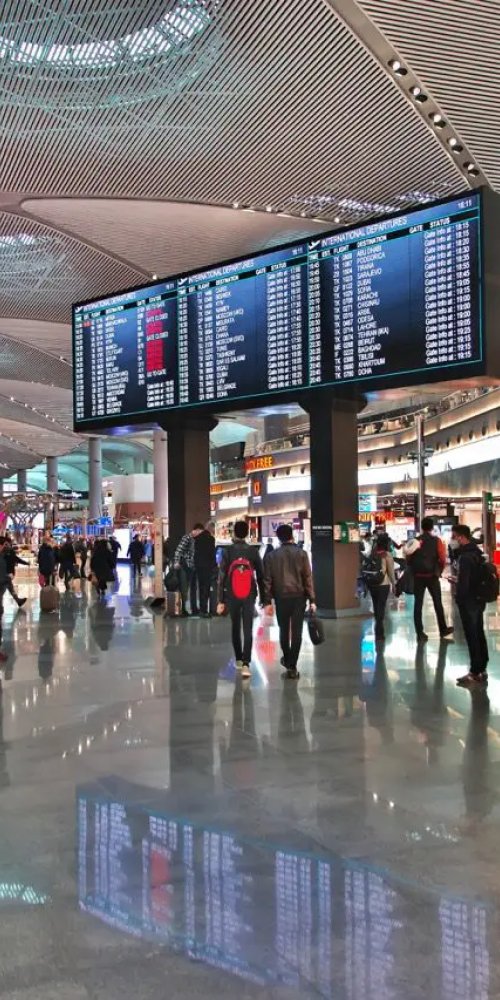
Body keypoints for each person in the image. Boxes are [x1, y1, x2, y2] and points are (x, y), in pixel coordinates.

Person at [264, 523, 316, 680]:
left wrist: (267, 601)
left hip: (281, 598)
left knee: (284, 630)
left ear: (278, 538)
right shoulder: (301, 554)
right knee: (297, 631)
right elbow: (307, 577)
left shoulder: (271, 556)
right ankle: (292, 665)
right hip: (299, 597)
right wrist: (312, 599)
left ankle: (287, 659)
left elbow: (267, 580)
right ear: (292, 535)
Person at [217, 520, 266, 680]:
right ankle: (246, 663)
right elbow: (261, 575)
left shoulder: (228, 551)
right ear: (246, 533)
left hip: (232, 594)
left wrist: (221, 600)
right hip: (249, 594)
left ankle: (238, 659)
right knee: (248, 628)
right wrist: (264, 599)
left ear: (234, 533)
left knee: (235, 627)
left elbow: (222, 576)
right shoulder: (253, 551)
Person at [405, 516, 453, 643]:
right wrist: (439, 571)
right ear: (432, 528)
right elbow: (442, 558)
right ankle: (443, 629)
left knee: (418, 604)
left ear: (422, 527)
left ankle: (419, 633)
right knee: (438, 602)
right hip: (432, 577)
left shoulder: (415, 541)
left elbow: (408, 559)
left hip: (418, 577)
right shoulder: (436, 541)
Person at [453, 524, 489, 688]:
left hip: (468, 601)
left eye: (454, 537)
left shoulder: (466, 557)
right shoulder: (477, 552)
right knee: (478, 632)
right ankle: (482, 668)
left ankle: (475, 672)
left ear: (461, 537)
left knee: (471, 635)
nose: (453, 540)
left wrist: (459, 596)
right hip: (479, 598)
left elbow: (465, 584)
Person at [366, 532, 395, 641]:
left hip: (372, 583)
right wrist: (394, 584)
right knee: (381, 607)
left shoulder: (372, 553)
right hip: (383, 585)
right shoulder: (387, 555)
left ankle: (377, 630)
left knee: (375, 605)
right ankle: (379, 633)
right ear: (386, 543)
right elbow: (391, 572)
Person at [174, 524, 204, 616]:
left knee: (194, 589)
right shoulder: (187, 538)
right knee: (184, 589)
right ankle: (183, 610)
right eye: (200, 532)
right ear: (196, 530)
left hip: (193, 567)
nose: (200, 534)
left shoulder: (197, 540)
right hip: (185, 567)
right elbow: (179, 550)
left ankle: (194, 608)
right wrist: (176, 562)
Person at [194, 520, 216, 618]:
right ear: (211, 528)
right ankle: (205, 610)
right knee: (206, 588)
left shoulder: (197, 538)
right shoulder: (211, 539)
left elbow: (195, 553)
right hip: (207, 567)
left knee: (200, 587)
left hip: (199, 566)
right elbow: (212, 554)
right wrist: (214, 565)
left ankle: (202, 609)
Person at [3, 540, 28, 608]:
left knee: (10, 588)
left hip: (7, 574)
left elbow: (17, 559)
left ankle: (18, 601)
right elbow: (17, 559)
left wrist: (26, 563)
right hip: (6, 574)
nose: (6, 545)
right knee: (9, 588)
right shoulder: (7, 553)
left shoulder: (10, 553)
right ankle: (18, 601)